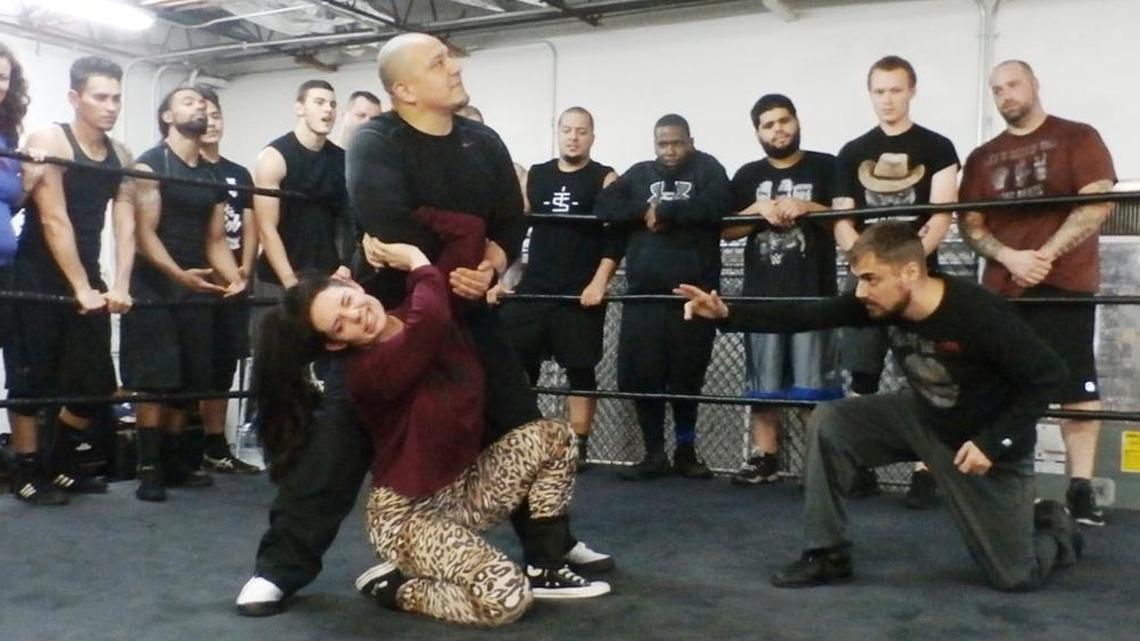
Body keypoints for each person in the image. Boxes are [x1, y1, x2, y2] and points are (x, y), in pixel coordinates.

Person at [235, 32, 611, 617]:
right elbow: (389, 225)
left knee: (517, 420)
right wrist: (449, 270)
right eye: (439, 62)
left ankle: (549, 550)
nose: (454, 66)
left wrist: (487, 266)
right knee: (336, 444)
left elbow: (510, 221)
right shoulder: (375, 142)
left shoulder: (481, 140)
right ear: (404, 89)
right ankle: (279, 569)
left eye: (450, 57)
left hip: (467, 306)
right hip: (380, 318)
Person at [677, 221, 1082, 592]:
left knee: (1015, 575)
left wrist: (994, 443)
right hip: (921, 416)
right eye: (858, 280)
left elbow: (1049, 376)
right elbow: (808, 312)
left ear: (909, 272)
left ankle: (1053, 523)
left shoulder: (978, 312)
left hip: (979, 444)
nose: (861, 292)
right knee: (831, 419)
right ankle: (827, 553)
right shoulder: (878, 301)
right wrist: (728, 312)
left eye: (871, 279)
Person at [960, 60, 1116, 527]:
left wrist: (1043, 255)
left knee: (1076, 386)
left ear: (1034, 84)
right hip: (1004, 291)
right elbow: (970, 223)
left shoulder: (1077, 136)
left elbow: (1099, 200)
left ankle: (1081, 490)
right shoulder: (983, 157)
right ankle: (1010, 486)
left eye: (1013, 85)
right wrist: (1011, 258)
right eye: (997, 89)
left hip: (1064, 284)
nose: (1005, 95)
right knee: (1003, 388)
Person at [5, 56, 136, 505]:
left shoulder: (120, 154)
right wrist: (81, 287)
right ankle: (25, 472)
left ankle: (57, 462)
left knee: (95, 380)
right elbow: (55, 219)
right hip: (37, 272)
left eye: (117, 97)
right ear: (74, 98)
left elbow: (125, 221)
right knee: (31, 377)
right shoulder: (49, 138)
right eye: (100, 97)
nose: (111, 106)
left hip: (87, 272)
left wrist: (120, 283)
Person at [832, 55, 960, 507]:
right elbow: (843, 222)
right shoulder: (851, 152)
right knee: (861, 375)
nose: (887, 99)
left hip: (919, 284)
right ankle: (860, 466)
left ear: (912, 90)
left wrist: (904, 270)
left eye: (895, 89)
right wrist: (869, 271)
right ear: (870, 94)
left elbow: (941, 218)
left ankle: (927, 471)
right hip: (869, 285)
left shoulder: (938, 147)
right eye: (879, 90)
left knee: (928, 377)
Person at [123, 86, 246, 501]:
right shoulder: (151, 163)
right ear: (167, 116)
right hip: (155, 283)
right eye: (188, 102)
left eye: (203, 104)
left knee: (190, 379)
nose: (199, 108)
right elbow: (143, 234)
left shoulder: (211, 176)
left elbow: (214, 241)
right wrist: (178, 275)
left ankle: (176, 462)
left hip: (195, 284)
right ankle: (149, 467)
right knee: (156, 378)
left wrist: (235, 279)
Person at [594, 113, 732, 481]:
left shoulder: (708, 168)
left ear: (690, 140)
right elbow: (604, 205)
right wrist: (644, 209)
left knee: (687, 380)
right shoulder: (639, 174)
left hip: (694, 296)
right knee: (644, 378)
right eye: (662, 144)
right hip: (643, 296)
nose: (670, 150)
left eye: (677, 143)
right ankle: (653, 453)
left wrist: (669, 210)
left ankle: (686, 451)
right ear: (654, 144)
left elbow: (719, 204)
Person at [722, 94, 843, 485]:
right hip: (762, 295)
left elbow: (846, 220)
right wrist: (756, 211)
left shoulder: (827, 166)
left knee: (815, 389)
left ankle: (822, 462)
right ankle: (764, 457)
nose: (778, 129)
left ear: (797, 121)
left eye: (784, 120)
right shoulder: (745, 176)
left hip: (814, 293)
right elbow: (724, 230)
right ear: (757, 131)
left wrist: (808, 207)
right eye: (768, 124)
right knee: (764, 387)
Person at [495, 106, 620, 467]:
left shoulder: (605, 178)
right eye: (567, 129)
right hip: (535, 287)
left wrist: (599, 282)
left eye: (581, 131)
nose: (573, 136)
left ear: (592, 136)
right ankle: (523, 439)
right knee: (515, 363)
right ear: (558, 132)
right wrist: (502, 279)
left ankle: (578, 444)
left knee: (580, 368)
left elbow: (617, 239)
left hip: (579, 293)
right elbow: (514, 229)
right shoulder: (537, 175)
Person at [195, 85, 260, 475]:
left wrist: (245, 272)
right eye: (204, 114)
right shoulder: (182, 169)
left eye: (217, 114)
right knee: (191, 367)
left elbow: (251, 226)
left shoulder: (237, 173)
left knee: (223, 366)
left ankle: (215, 445)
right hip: (198, 279)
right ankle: (176, 451)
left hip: (235, 280)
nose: (212, 122)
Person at [253, 80, 347, 295]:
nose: (328, 109)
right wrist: (290, 283)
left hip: (324, 278)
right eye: (319, 102)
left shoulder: (341, 160)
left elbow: (346, 222)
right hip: (278, 279)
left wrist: (345, 265)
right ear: (300, 108)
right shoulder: (274, 157)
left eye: (332, 104)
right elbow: (266, 228)